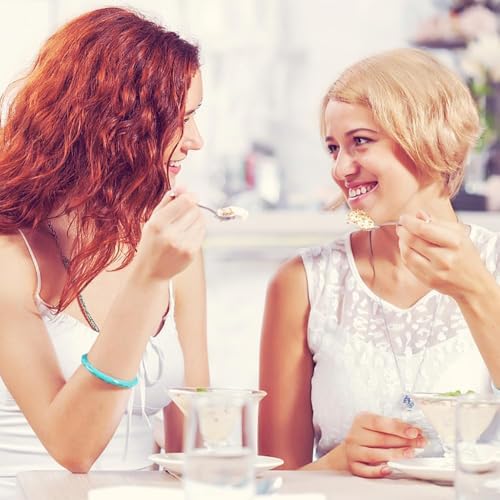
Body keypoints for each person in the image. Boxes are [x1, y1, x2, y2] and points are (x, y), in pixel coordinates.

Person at [259, 48, 500, 478]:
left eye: (360, 141)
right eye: (333, 148)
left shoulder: (494, 265)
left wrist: (476, 291)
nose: (340, 169)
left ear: (429, 137)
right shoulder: (303, 282)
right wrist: (335, 465)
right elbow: (276, 483)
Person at [0, 7, 209, 498]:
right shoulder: (10, 255)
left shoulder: (166, 245)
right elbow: (73, 448)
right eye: (181, 120)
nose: (196, 141)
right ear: (113, 126)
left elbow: (196, 444)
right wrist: (147, 280)